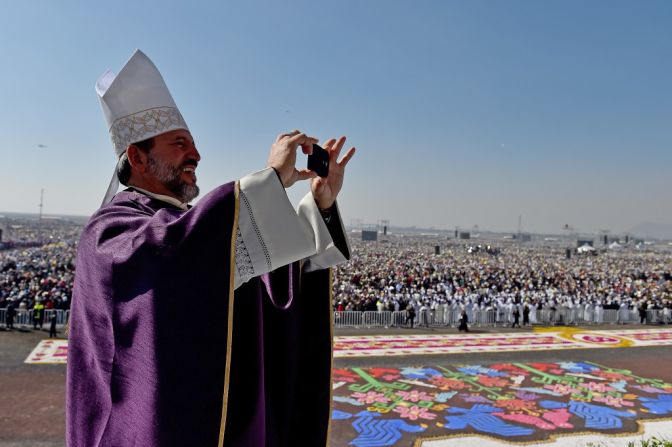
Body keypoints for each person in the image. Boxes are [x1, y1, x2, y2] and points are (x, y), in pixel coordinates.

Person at [66, 50, 355, 447]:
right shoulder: (111, 229)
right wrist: (269, 179)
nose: (196, 155)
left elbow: (265, 292)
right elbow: (168, 264)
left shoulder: (191, 229)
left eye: (194, 144)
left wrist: (319, 205)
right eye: (179, 143)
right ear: (137, 157)